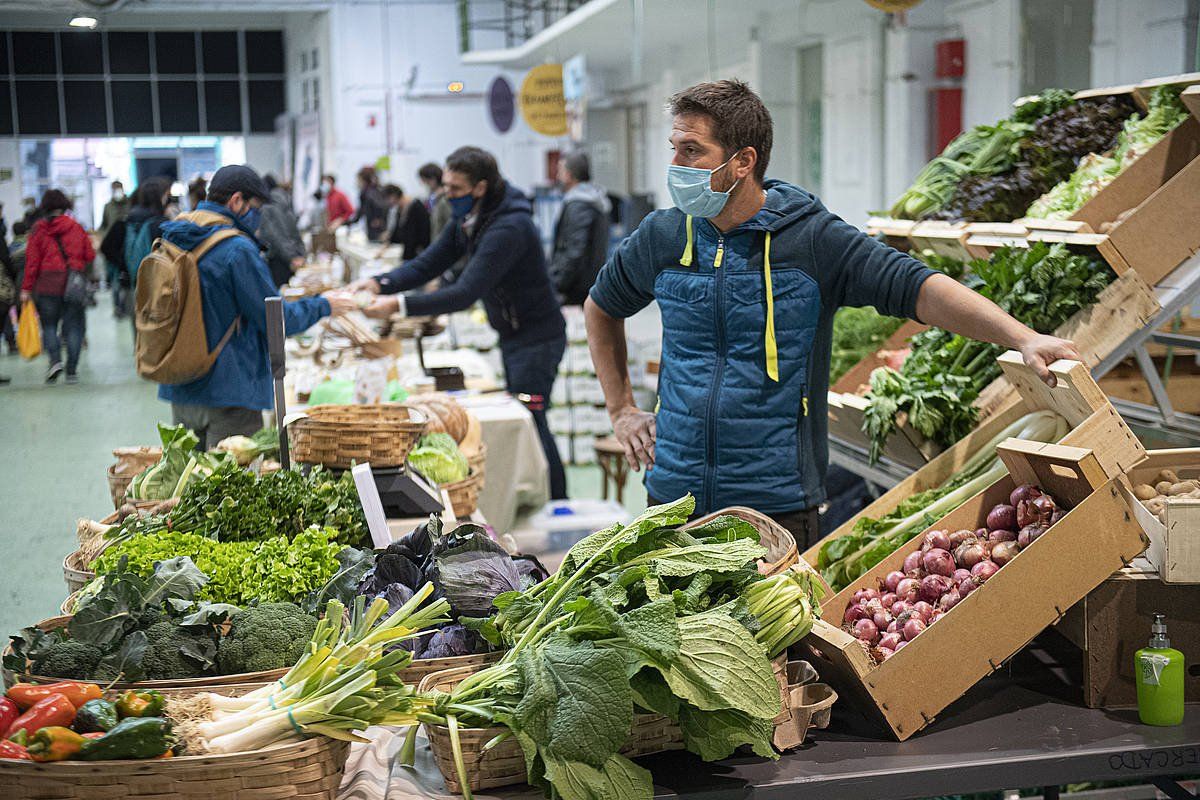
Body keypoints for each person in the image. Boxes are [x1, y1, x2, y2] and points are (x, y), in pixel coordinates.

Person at [584, 80, 1079, 548]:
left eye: (691, 151)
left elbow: (919, 287)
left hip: (773, 505)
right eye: (674, 147)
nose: (675, 163)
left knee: (767, 641)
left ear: (742, 162)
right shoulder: (663, 236)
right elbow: (602, 307)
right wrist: (621, 410)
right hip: (673, 497)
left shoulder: (813, 241)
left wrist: (1021, 337)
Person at [350, 147, 569, 500]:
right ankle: (543, 498)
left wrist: (397, 305)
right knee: (529, 416)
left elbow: (466, 292)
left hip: (537, 339)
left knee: (531, 419)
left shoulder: (509, 226)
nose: (445, 195)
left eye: (453, 189)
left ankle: (557, 504)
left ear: (480, 188)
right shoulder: (472, 218)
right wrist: (381, 283)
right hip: (513, 336)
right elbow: (429, 263)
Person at [155, 164, 355, 450]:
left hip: (182, 385)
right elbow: (276, 319)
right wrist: (324, 305)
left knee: (192, 485)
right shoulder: (236, 250)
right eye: (256, 207)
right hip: (229, 390)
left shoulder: (176, 238)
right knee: (232, 489)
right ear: (237, 201)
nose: (259, 218)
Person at [19, 189, 95, 384]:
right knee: (74, 327)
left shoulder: (38, 229)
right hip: (73, 284)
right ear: (64, 205)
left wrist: (26, 288)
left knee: (49, 325)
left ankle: (55, 361)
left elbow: (32, 262)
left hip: (47, 284)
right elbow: (90, 255)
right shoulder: (76, 227)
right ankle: (71, 371)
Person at [549, 152, 611, 306]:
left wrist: (557, 282)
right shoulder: (595, 199)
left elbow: (575, 250)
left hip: (575, 289)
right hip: (589, 283)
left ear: (569, 176)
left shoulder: (579, 206)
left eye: (561, 171)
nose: (558, 176)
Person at [124, 177, 172, 330]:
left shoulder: (131, 218)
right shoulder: (160, 222)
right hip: (158, 281)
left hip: (135, 279)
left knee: (139, 325)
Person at [257, 174, 307, 288]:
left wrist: (291, 257)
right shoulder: (285, 202)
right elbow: (295, 232)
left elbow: (276, 236)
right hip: (294, 257)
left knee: (282, 298)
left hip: (280, 259)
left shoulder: (267, 207)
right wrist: (300, 254)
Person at [99, 180, 131, 317]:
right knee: (114, 280)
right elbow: (104, 225)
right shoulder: (108, 207)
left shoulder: (130, 204)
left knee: (126, 277)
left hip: (126, 245)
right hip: (111, 247)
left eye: (119, 188)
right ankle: (118, 307)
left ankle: (126, 305)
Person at [378, 184, 431, 261]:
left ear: (393, 196)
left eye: (387, 199)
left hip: (419, 255)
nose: (387, 203)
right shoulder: (399, 210)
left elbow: (422, 235)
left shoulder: (416, 207)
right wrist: (386, 245)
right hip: (409, 254)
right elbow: (396, 233)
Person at [350, 167, 389, 242]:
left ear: (363, 180)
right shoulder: (379, 189)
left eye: (358, 180)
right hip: (383, 229)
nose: (357, 182)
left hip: (374, 231)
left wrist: (345, 223)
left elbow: (358, 215)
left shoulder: (365, 193)